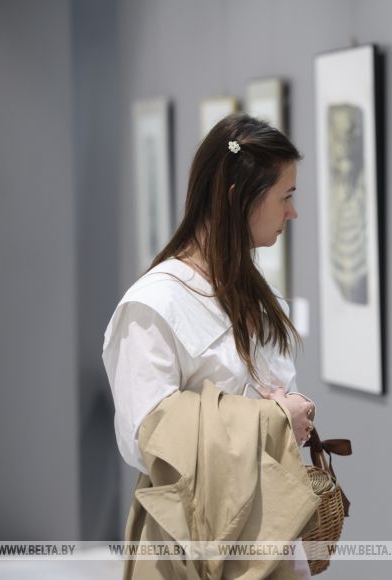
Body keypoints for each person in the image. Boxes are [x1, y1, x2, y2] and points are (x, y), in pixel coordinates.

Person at [102, 113, 317, 578]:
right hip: (193, 543)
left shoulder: (257, 293)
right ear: (239, 198)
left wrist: (284, 415)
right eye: (286, 197)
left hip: (267, 532)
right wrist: (272, 420)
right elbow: (147, 438)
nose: (293, 213)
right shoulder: (153, 305)